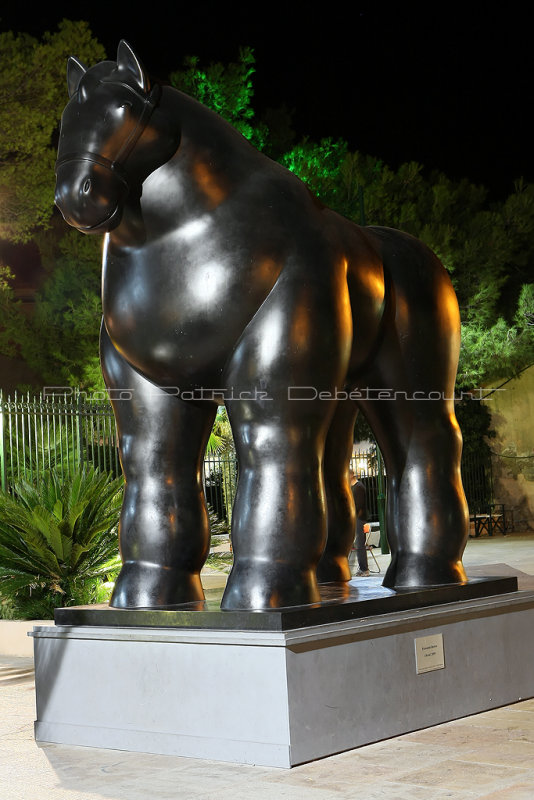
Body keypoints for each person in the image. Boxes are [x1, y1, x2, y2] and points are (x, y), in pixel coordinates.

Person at [349, 468, 370, 576]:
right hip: (356, 518)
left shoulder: (359, 487)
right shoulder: (353, 487)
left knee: (359, 544)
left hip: (359, 519)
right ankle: (362, 568)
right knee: (358, 544)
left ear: (351, 475)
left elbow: (359, 505)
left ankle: (364, 569)